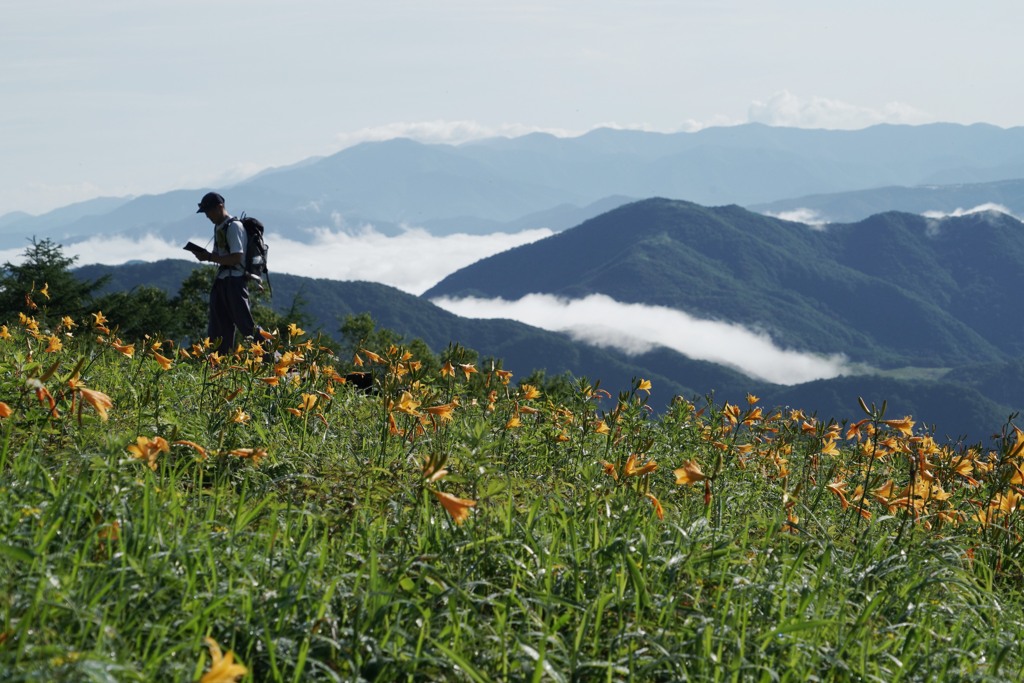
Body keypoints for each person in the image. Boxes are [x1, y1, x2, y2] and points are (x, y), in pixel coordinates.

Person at [191, 192, 261, 356]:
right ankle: (219, 363)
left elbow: (236, 258)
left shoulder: (234, 226)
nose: (207, 216)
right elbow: (221, 255)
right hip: (223, 281)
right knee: (218, 328)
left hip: (235, 281)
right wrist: (208, 256)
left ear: (220, 207)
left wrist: (208, 257)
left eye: (209, 211)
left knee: (246, 325)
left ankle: (273, 357)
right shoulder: (219, 226)